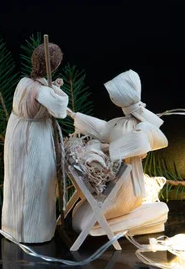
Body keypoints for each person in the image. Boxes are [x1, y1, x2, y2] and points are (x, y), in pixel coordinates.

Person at [66, 69, 169, 236]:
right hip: (113, 182)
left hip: (125, 184)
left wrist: (108, 149)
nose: (111, 99)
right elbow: (102, 129)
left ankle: (130, 217)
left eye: (114, 95)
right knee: (80, 218)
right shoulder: (121, 122)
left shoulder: (139, 125)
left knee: (84, 222)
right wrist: (73, 115)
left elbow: (141, 142)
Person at [2, 43, 69, 243]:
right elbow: (60, 110)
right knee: (36, 180)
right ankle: (33, 232)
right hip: (33, 137)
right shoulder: (41, 91)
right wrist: (56, 92)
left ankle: (12, 227)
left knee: (16, 179)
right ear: (54, 66)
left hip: (16, 131)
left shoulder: (23, 82)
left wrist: (51, 87)